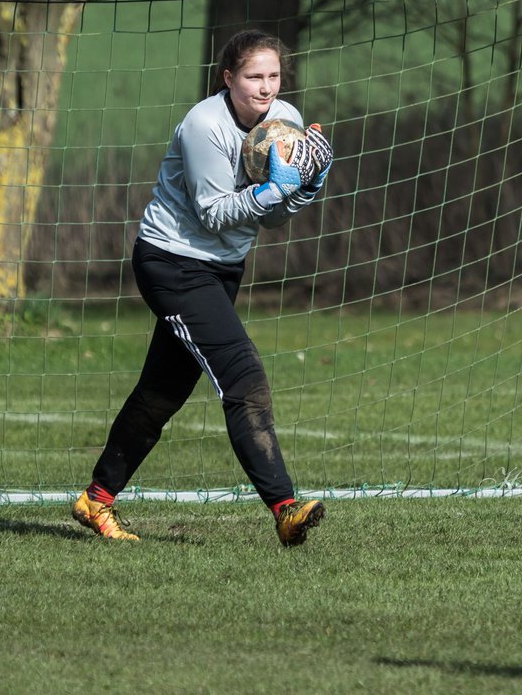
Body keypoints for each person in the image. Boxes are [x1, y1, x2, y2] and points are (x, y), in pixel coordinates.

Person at [71, 29, 333, 546]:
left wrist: (304, 189)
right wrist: (275, 187)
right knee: (243, 377)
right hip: (172, 263)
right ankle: (285, 508)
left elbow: (273, 219)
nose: (265, 88)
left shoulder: (288, 124)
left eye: (274, 77)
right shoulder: (204, 126)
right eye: (254, 77)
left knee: (162, 391)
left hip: (221, 269)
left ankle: (95, 500)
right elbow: (214, 215)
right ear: (228, 78)